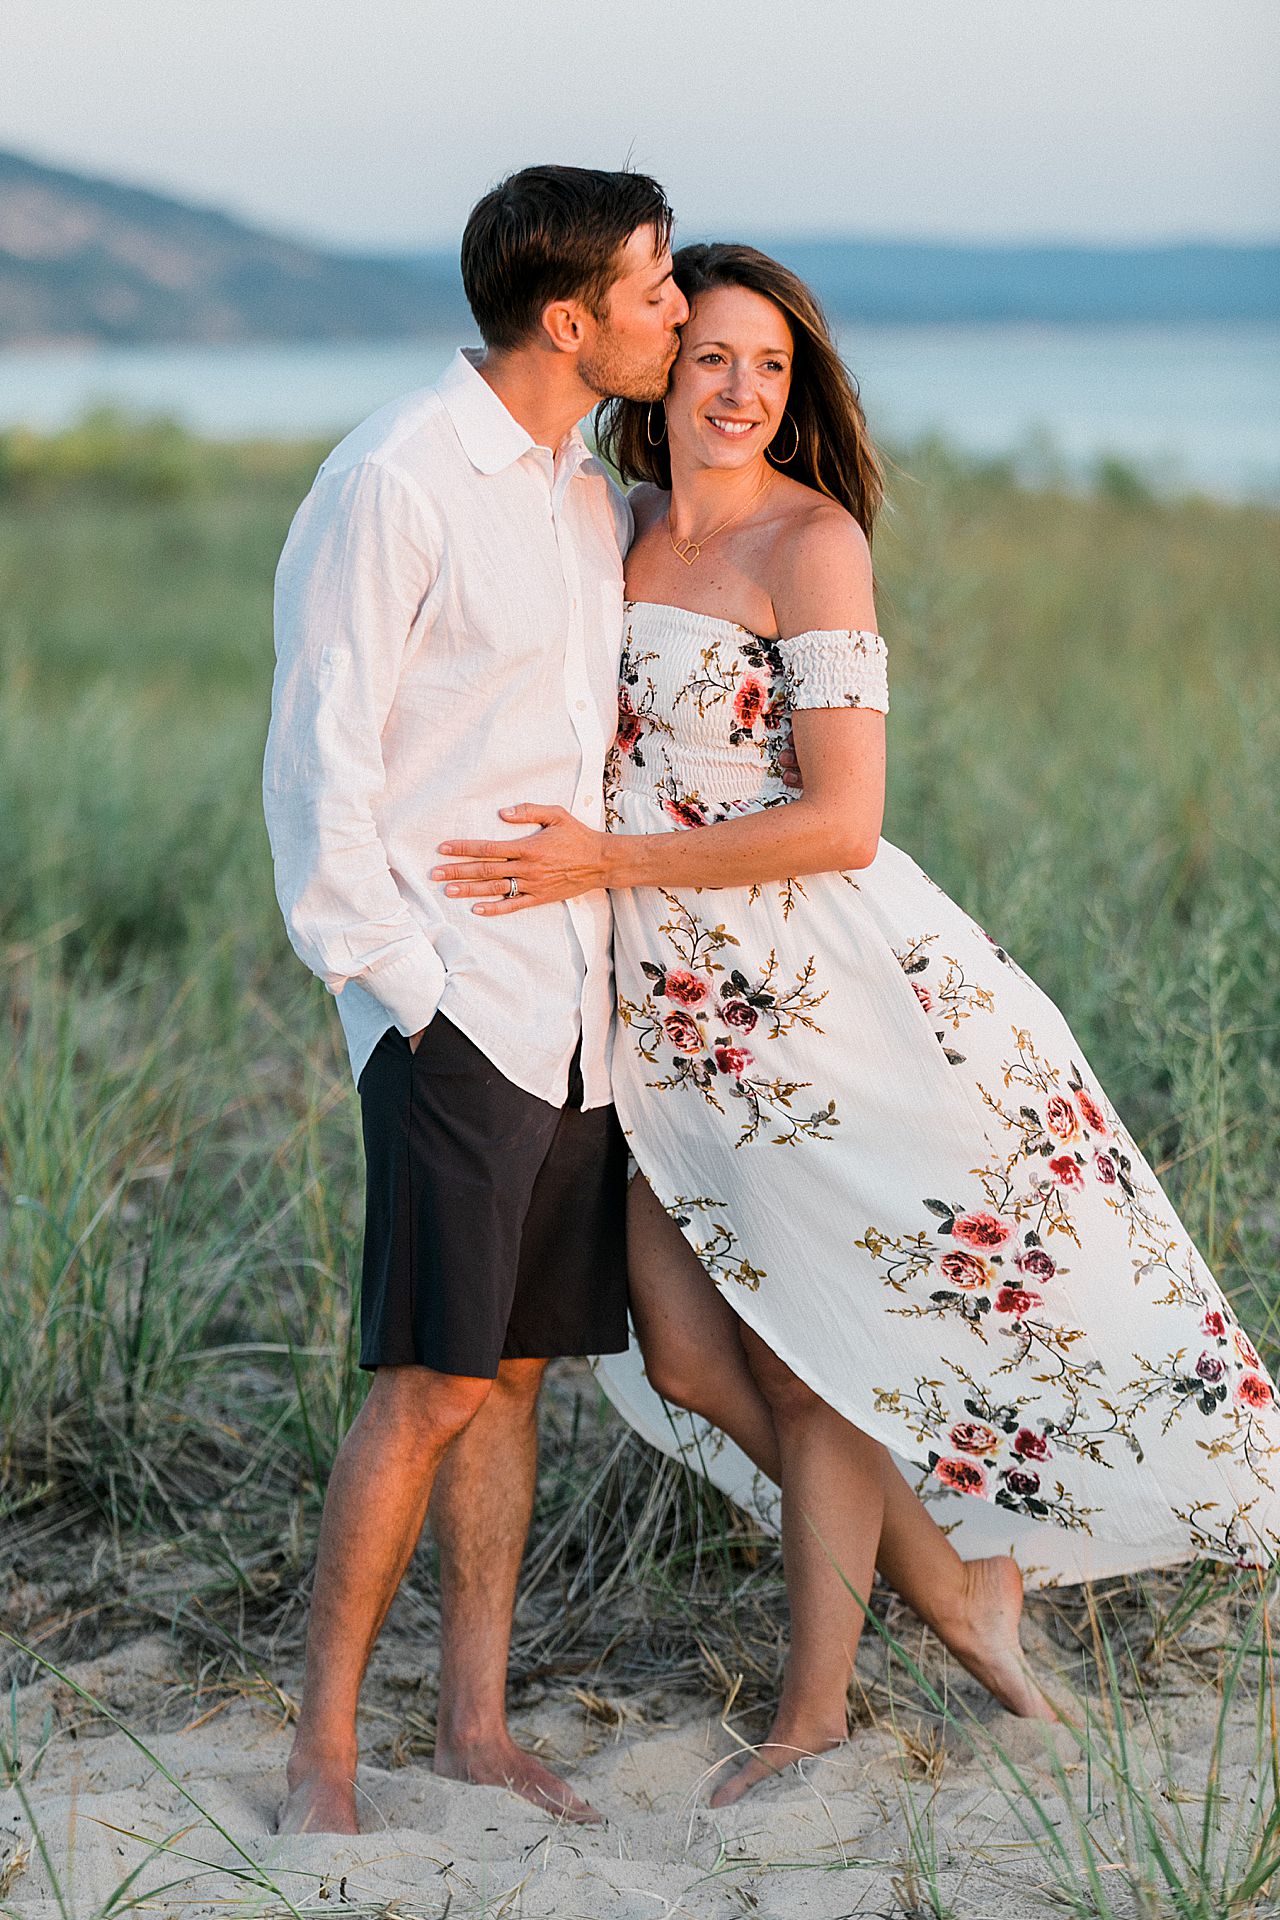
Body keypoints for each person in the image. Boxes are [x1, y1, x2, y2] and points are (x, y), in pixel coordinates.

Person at [433, 241, 1280, 1805]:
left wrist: (607, 859)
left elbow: (842, 820)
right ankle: (958, 1577)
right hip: (663, 1022)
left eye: (771, 365)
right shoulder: (604, 533)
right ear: (657, 375)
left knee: (818, 1361)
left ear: (796, 389)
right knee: (687, 1358)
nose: (741, 390)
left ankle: (813, 1715)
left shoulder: (808, 544)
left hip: (813, 1004)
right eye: (710, 358)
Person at [262, 165, 689, 1834]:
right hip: (457, 1007)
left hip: (570, 1007)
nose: (673, 309)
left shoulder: (586, 491)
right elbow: (320, 761)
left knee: (510, 1372)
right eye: (655, 290)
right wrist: (407, 989)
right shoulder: (396, 478)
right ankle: (324, 1754)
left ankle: (473, 1729)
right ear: (568, 318)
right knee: (427, 1378)